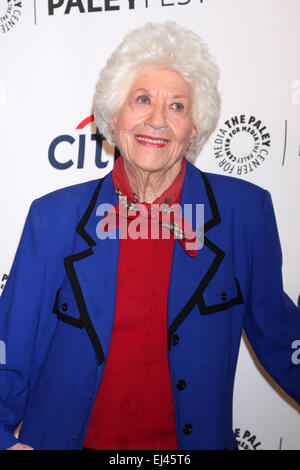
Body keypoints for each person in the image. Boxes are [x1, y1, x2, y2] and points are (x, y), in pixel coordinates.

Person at [0, 21, 299, 451]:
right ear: (114, 116)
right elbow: (11, 342)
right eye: (142, 100)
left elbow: (281, 336)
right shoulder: (54, 217)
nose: (157, 120)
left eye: (177, 106)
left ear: (194, 129)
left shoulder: (243, 213)